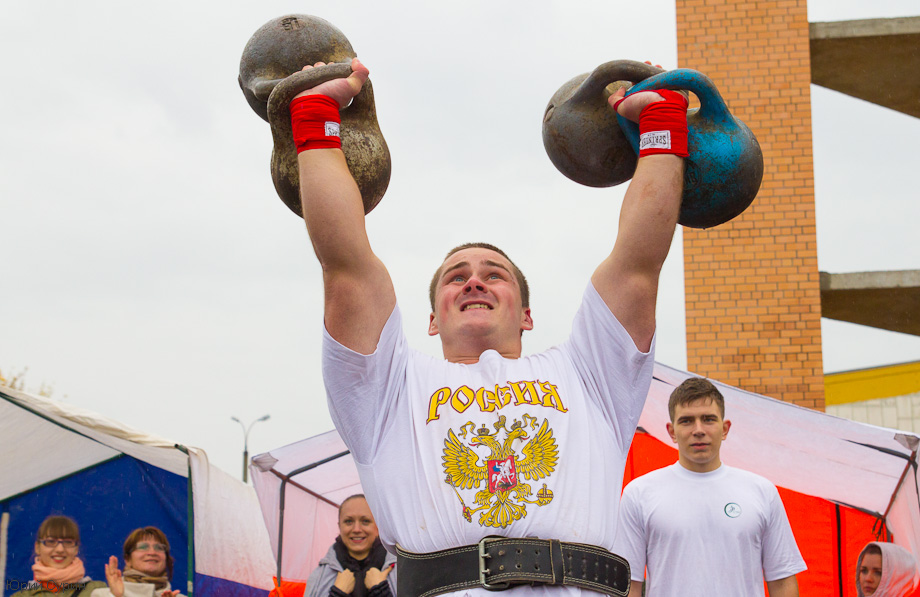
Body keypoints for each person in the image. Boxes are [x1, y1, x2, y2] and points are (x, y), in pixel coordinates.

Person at [290, 56, 687, 597]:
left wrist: (662, 125)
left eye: (493, 275)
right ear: (431, 318)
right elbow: (347, 267)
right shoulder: (390, 389)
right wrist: (315, 119)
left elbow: (638, 264)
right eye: (456, 277)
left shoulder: (589, 375)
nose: (474, 282)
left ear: (526, 313)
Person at [613, 377, 807, 596]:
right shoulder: (639, 494)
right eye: (686, 421)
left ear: (725, 429)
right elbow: (629, 586)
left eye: (708, 419)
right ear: (671, 431)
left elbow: (782, 580)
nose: (698, 430)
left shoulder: (762, 492)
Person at [304, 495, 396, 597]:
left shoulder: (400, 571)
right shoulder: (318, 576)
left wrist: (381, 592)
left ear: (378, 526)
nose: (356, 529)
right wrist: (337, 594)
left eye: (365, 521)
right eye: (349, 521)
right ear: (339, 526)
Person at [11, 515, 106, 597]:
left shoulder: (98, 591)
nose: (60, 549)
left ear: (76, 549)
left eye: (68, 542)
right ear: (37, 547)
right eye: (51, 541)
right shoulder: (22, 596)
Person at [91, 527, 182, 597]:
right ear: (127, 559)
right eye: (143, 547)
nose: (152, 552)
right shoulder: (102, 595)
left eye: (159, 548)